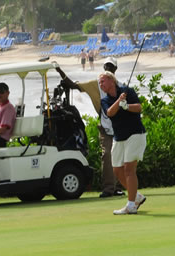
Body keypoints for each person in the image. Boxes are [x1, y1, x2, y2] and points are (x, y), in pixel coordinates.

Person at [56, 57, 124, 198]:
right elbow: (73, 85)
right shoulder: (95, 84)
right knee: (107, 156)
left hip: (120, 127)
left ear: (115, 70)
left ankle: (118, 188)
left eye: (111, 67)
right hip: (105, 128)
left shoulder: (122, 87)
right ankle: (108, 188)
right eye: (106, 66)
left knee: (120, 157)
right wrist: (59, 70)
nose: (108, 69)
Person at [99, 71, 147, 215]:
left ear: (111, 80)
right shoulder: (105, 100)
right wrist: (119, 102)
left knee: (128, 169)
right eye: (100, 82)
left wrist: (126, 106)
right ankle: (136, 196)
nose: (100, 84)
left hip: (135, 134)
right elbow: (110, 112)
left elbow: (138, 108)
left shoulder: (128, 91)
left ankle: (131, 205)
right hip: (119, 137)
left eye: (102, 81)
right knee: (117, 170)